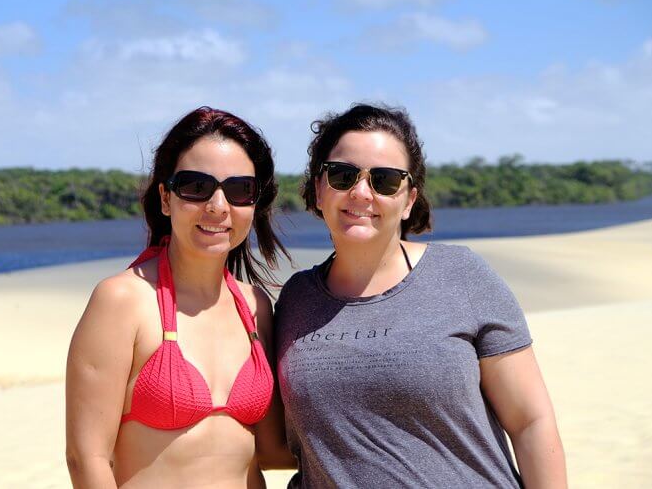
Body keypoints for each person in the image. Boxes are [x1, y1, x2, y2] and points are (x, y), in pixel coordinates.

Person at [274, 103, 567, 488]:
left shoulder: (462, 275)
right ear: (318, 188)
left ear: (409, 198)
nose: (362, 193)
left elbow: (531, 422)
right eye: (343, 175)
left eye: (385, 180)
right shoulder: (295, 299)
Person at [65, 107, 295, 488]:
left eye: (239, 190)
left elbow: (271, 451)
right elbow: (86, 458)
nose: (218, 206)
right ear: (165, 198)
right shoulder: (123, 300)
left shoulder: (255, 307)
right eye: (196, 186)